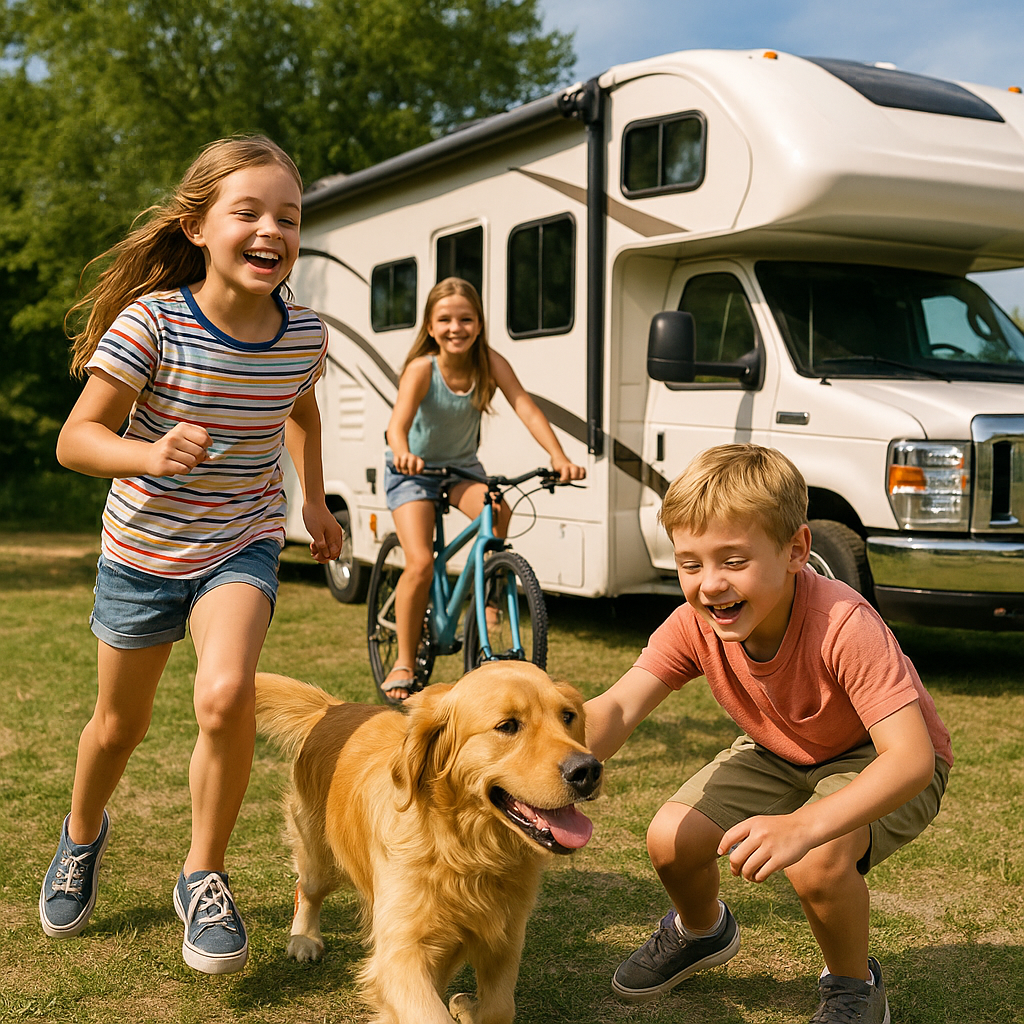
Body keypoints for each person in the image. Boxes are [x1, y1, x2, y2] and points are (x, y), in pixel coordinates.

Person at [39, 136, 342, 975]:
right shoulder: (155, 322)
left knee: (226, 694)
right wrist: (149, 453)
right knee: (119, 726)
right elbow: (77, 439)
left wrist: (311, 500)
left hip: (240, 541)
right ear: (198, 226)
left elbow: (303, 414)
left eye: (288, 216)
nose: (271, 230)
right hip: (142, 550)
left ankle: (201, 873)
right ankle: (81, 836)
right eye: (247, 211)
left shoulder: (305, 336)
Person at [584, 444, 952, 1024]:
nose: (709, 585)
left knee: (818, 859)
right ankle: (702, 932)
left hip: (884, 760)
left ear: (795, 550)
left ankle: (855, 986)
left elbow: (909, 760)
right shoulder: (694, 623)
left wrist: (804, 825)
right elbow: (620, 708)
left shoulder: (843, 623)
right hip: (781, 751)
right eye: (690, 564)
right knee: (669, 839)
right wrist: (553, 755)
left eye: (733, 561)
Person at [382, 277, 585, 701]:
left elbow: (525, 407)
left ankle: (490, 588)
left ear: (478, 323)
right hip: (412, 471)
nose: (456, 328)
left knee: (498, 510)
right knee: (420, 563)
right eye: (445, 320)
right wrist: (402, 452)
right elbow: (397, 425)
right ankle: (403, 659)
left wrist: (558, 456)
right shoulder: (423, 368)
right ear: (431, 327)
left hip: (461, 469)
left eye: (466, 319)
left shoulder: (489, 362)